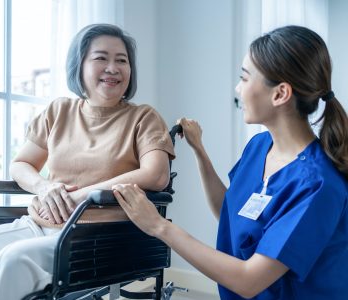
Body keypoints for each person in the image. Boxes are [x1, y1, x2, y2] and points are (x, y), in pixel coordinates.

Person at [113, 25, 348, 299]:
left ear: (280, 94)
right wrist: (200, 151)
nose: (238, 88)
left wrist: (159, 227)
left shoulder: (319, 185)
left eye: (245, 78)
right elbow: (229, 212)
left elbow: (250, 280)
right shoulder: (260, 147)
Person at [0, 23, 175, 300]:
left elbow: (156, 174)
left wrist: (82, 195)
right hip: (37, 225)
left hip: (97, 235)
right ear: (79, 65)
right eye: (101, 58)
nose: (113, 68)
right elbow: (20, 164)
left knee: (8, 261)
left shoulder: (143, 117)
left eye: (122, 60)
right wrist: (43, 187)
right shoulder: (59, 111)